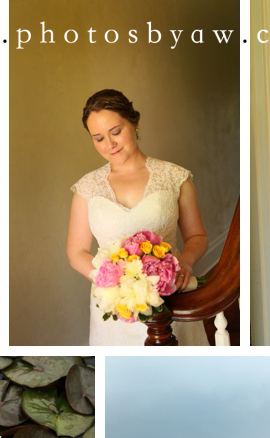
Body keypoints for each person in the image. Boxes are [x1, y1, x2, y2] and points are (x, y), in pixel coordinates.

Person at [66, 89, 209, 345]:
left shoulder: (175, 177)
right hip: (114, 306)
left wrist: (184, 265)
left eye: (116, 132)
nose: (109, 145)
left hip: (169, 295)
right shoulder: (87, 188)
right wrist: (114, 284)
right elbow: (76, 252)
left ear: (134, 122)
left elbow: (197, 236)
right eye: (98, 138)